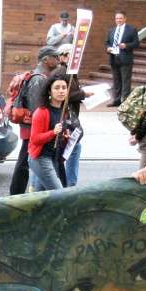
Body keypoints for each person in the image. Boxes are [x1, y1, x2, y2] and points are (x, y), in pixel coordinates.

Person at [9, 46, 60, 195]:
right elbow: (37, 108)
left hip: (32, 128)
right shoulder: (38, 79)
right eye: (55, 57)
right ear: (46, 59)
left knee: (27, 161)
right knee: (24, 162)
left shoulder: (40, 77)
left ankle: (24, 194)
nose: (57, 60)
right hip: (32, 128)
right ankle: (15, 195)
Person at [54, 43, 89, 187]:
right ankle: (69, 183)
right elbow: (65, 94)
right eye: (70, 55)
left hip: (70, 116)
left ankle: (67, 182)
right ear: (62, 57)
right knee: (72, 148)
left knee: (74, 147)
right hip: (65, 117)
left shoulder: (71, 71)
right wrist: (83, 94)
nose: (75, 59)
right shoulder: (63, 72)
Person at [28, 75, 70, 192]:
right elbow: (35, 139)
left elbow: (59, 134)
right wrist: (53, 132)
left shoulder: (63, 110)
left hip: (53, 157)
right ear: (49, 91)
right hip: (41, 158)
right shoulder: (41, 112)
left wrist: (64, 136)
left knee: (41, 198)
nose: (61, 91)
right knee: (59, 194)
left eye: (64, 87)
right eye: (57, 88)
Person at [105, 12, 140, 106]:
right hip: (114, 58)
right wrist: (108, 48)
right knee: (116, 80)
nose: (118, 20)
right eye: (117, 18)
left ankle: (124, 101)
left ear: (125, 19)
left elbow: (136, 43)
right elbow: (107, 42)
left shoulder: (131, 29)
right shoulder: (111, 30)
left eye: (120, 18)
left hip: (125, 58)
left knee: (125, 81)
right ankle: (116, 100)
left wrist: (126, 45)